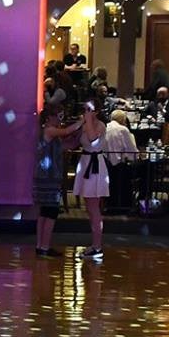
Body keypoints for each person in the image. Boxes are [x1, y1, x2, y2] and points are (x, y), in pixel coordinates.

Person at [34, 107, 81, 257]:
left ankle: (40, 246)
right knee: (51, 211)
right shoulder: (48, 130)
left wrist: (79, 135)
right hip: (48, 176)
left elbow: (69, 144)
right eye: (57, 116)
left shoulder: (51, 134)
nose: (59, 119)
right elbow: (66, 131)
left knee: (45, 212)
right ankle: (44, 247)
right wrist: (82, 121)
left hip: (46, 175)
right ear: (49, 118)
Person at [70, 102, 110, 262]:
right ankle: (95, 244)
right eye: (85, 109)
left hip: (95, 167)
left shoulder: (100, 125)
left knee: (94, 208)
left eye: (89, 110)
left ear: (96, 112)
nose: (86, 112)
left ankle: (97, 246)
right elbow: (75, 141)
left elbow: (93, 139)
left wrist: (87, 121)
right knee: (89, 207)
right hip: (86, 163)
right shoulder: (84, 124)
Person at [103, 108, 140, 213]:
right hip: (120, 166)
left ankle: (109, 205)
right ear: (122, 120)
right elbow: (132, 151)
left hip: (106, 164)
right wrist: (136, 156)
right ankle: (130, 205)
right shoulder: (123, 129)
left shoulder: (104, 127)